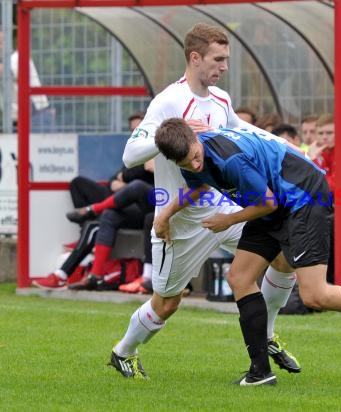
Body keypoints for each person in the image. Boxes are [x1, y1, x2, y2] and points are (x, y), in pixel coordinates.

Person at [154, 119, 341, 386]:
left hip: (303, 197)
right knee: (239, 278)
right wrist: (165, 214)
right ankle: (260, 373)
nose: (194, 164)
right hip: (273, 201)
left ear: (195, 140)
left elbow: (268, 204)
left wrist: (228, 220)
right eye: (186, 163)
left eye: (195, 156)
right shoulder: (187, 155)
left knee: (315, 295)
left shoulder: (230, 158)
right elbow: (199, 186)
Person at [109, 22, 300, 381]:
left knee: (282, 256)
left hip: (222, 207)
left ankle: (268, 334)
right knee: (168, 301)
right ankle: (124, 351)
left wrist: (280, 143)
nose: (224, 67)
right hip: (178, 218)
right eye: (218, 59)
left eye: (226, 59)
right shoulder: (169, 101)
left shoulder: (222, 100)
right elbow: (130, 154)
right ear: (195, 58)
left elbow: (240, 131)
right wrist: (175, 135)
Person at [32, 112, 152, 290]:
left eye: (139, 130)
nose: (136, 134)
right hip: (128, 204)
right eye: (133, 131)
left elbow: (142, 171)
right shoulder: (135, 152)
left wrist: (126, 178)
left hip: (155, 204)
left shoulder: (158, 146)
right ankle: (85, 275)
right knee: (100, 206)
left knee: (136, 188)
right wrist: (122, 180)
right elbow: (114, 179)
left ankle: (93, 210)